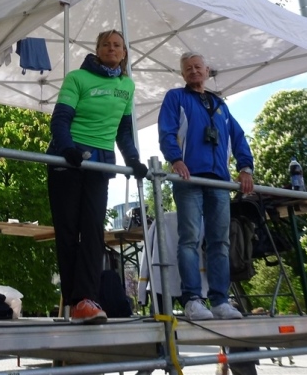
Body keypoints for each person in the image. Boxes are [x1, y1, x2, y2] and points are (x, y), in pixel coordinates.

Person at [47, 29, 148, 324]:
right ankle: (74, 300)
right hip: (67, 160)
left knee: (93, 231)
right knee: (68, 231)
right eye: (106, 44)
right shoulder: (77, 78)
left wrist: (133, 159)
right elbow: (60, 119)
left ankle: (86, 299)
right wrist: (68, 148)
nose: (111, 49)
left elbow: (123, 130)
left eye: (117, 45)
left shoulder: (127, 85)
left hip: (100, 163)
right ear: (98, 49)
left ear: (124, 53)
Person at [158, 51, 254, 321]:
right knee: (189, 238)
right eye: (188, 68)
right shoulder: (176, 97)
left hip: (219, 180)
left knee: (220, 241)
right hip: (189, 178)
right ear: (182, 74)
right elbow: (166, 131)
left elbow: (238, 136)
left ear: (207, 70)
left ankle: (220, 300)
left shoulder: (220, 104)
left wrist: (245, 168)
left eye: (198, 66)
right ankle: (192, 299)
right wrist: (175, 159)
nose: (194, 71)